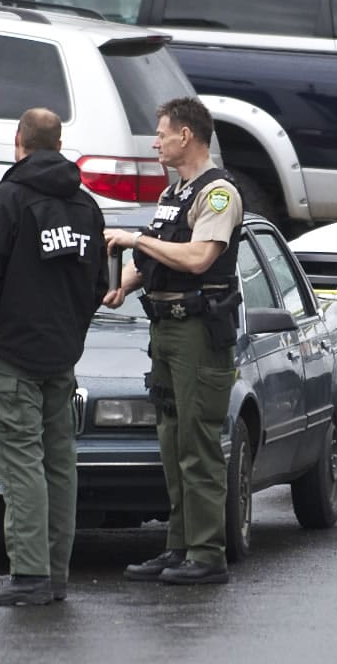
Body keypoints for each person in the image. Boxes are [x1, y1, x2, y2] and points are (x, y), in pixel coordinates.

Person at [0, 108, 110, 606]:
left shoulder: (8, 199)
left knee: (21, 463)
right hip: (60, 357)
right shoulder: (87, 207)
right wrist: (71, 330)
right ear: (58, 141)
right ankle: (54, 573)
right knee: (59, 464)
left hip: (10, 356)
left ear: (18, 140)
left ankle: (29, 575)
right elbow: (99, 284)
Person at [104, 97, 245, 586]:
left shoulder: (218, 193)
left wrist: (135, 240)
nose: (155, 141)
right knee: (170, 440)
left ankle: (207, 554)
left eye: (161, 133)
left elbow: (200, 257)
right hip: (164, 329)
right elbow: (157, 259)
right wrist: (124, 281)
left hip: (198, 333)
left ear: (186, 136)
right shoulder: (175, 193)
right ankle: (179, 546)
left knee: (198, 442)